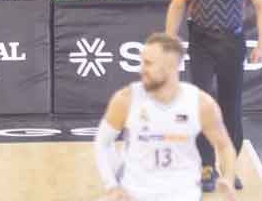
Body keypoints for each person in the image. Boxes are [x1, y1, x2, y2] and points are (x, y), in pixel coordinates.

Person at [165, 0, 262, 191]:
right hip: (201, 41)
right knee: (200, 104)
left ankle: (229, 167)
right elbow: (177, 4)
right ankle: (206, 166)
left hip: (232, 43)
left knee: (230, 107)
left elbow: (261, 4)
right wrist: (170, 41)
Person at [94, 33, 239, 201]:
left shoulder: (201, 104)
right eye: (142, 62)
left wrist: (227, 178)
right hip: (135, 194)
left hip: (183, 195)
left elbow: (224, 147)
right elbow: (102, 143)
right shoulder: (125, 99)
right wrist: (111, 186)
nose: (141, 69)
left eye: (148, 63)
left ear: (171, 66)